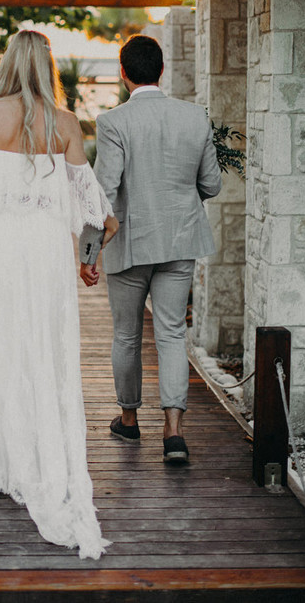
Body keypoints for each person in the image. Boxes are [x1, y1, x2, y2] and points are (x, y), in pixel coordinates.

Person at [0, 29, 118, 559]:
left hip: (0, 246)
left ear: (9, 65)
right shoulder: (65, 124)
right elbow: (95, 212)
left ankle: (3, 462)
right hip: (44, 249)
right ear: (48, 67)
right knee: (48, 349)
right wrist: (89, 259)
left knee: (3, 348)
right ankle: (42, 456)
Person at [79, 35, 221, 463]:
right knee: (172, 333)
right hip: (179, 240)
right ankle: (174, 433)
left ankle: (128, 421)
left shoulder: (113, 122)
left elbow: (103, 191)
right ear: (161, 71)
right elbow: (211, 184)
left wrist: (88, 254)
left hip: (129, 243)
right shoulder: (196, 117)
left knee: (126, 335)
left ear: (123, 74)